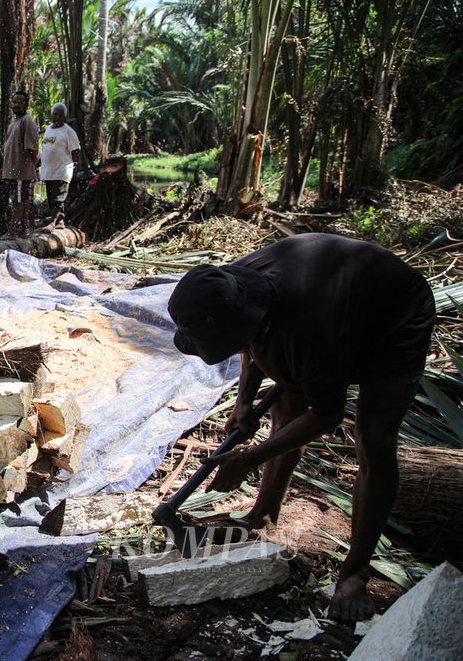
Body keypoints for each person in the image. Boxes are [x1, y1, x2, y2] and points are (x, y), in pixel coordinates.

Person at [167, 233, 435, 623]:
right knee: (287, 406)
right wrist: (243, 402)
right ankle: (262, 515)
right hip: (326, 312)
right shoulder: (229, 283)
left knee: (374, 440)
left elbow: (326, 414)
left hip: (395, 319)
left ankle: (355, 573)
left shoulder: (312, 329)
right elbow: (251, 341)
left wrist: (250, 457)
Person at [1, 90, 39, 236]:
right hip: (12, 171)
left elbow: (33, 148)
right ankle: (23, 230)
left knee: (19, 202)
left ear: (26, 104)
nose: (16, 105)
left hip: (21, 172)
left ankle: (13, 231)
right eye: (14, 102)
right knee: (19, 201)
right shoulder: (13, 123)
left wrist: (32, 166)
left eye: (20, 102)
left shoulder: (27, 120)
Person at [39, 103, 81, 222]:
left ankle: (53, 222)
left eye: (60, 115)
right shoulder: (48, 129)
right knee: (51, 198)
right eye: (55, 114)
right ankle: (60, 221)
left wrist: (74, 163)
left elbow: (75, 149)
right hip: (48, 171)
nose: (57, 117)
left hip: (62, 169)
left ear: (64, 117)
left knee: (58, 197)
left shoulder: (68, 131)